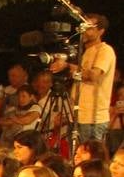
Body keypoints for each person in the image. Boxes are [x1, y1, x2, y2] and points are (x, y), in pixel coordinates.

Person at [50, 13, 116, 143]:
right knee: (75, 158)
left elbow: (93, 75)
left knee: (90, 160)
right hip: (76, 116)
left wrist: (67, 66)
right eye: (83, 26)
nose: (84, 30)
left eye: (89, 27)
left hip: (92, 118)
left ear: (100, 31)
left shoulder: (104, 50)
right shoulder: (83, 52)